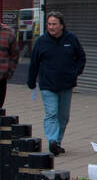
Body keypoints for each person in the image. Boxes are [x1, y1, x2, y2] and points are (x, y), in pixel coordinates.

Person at [27, 11, 86, 156]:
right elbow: (34, 63)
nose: (51, 27)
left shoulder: (71, 39)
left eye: (54, 24)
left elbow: (81, 57)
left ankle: (58, 142)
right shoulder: (42, 41)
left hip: (66, 84)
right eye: (49, 24)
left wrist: (75, 72)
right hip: (48, 84)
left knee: (63, 116)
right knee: (51, 113)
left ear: (61, 25)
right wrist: (31, 81)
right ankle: (52, 141)